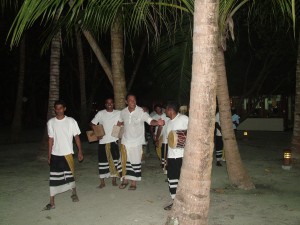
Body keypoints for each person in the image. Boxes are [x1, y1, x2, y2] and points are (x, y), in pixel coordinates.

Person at [117, 94, 165, 190]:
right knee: (124, 161)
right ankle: (125, 180)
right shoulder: (123, 112)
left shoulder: (141, 112)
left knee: (135, 162)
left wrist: (157, 122)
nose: (133, 102)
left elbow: (150, 120)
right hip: (125, 141)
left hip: (136, 142)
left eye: (134, 100)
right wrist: (117, 132)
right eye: (130, 100)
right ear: (126, 102)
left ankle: (133, 182)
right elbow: (120, 122)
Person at [44, 100, 84, 210]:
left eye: (60, 108)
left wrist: (80, 151)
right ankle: (52, 202)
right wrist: (49, 155)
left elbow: (76, 137)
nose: (58, 110)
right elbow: (50, 140)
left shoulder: (71, 121)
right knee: (53, 178)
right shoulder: (51, 122)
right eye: (56, 108)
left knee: (70, 175)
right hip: (55, 154)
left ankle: (74, 193)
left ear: (64, 109)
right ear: (55, 109)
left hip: (67, 153)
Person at [90, 98, 121, 188]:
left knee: (114, 161)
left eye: (111, 102)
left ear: (114, 104)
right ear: (105, 104)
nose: (109, 104)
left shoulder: (118, 113)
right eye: (107, 103)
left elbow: (122, 122)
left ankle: (114, 180)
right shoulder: (101, 113)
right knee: (102, 162)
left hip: (113, 140)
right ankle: (102, 182)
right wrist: (97, 133)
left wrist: (119, 131)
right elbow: (92, 124)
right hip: (102, 142)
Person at [164, 101, 188, 210]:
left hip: (182, 156)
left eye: (166, 109)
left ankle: (185, 201)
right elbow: (168, 141)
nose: (165, 111)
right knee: (171, 178)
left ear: (170, 110)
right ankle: (175, 201)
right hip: (171, 156)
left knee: (182, 179)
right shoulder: (168, 122)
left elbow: (194, 131)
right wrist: (166, 158)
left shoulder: (183, 119)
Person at [152, 104, 169, 170]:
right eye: (157, 108)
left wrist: (156, 139)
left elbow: (160, 127)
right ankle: (164, 164)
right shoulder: (155, 116)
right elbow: (153, 127)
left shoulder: (164, 116)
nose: (159, 109)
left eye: (160, 108)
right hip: (160, 135)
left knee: (165, 152)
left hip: (164, 137)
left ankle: (165, 166)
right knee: (160, 150)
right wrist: (154, 134)